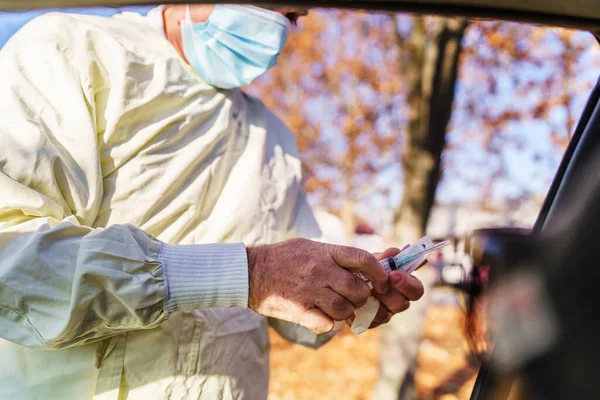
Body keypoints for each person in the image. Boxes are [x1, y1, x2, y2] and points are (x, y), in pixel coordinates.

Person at [0, 4, 425, 400]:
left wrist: (351, 292)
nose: (275, 30)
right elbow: (13, 261)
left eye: (292, 17)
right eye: (266, 8)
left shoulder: (273, 137)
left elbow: (297, 308)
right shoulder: (68, 51)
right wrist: (252, 273)